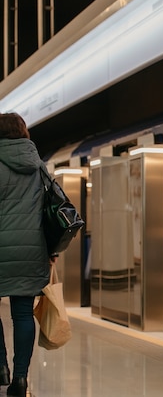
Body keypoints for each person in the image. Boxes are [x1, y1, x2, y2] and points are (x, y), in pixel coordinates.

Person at [0, 112, 53, 397]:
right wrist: (51, 250)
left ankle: (0, 367)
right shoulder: (39, 166)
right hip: (31, 248)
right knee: (22, 314)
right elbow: (53, 210)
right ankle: (20, 379)